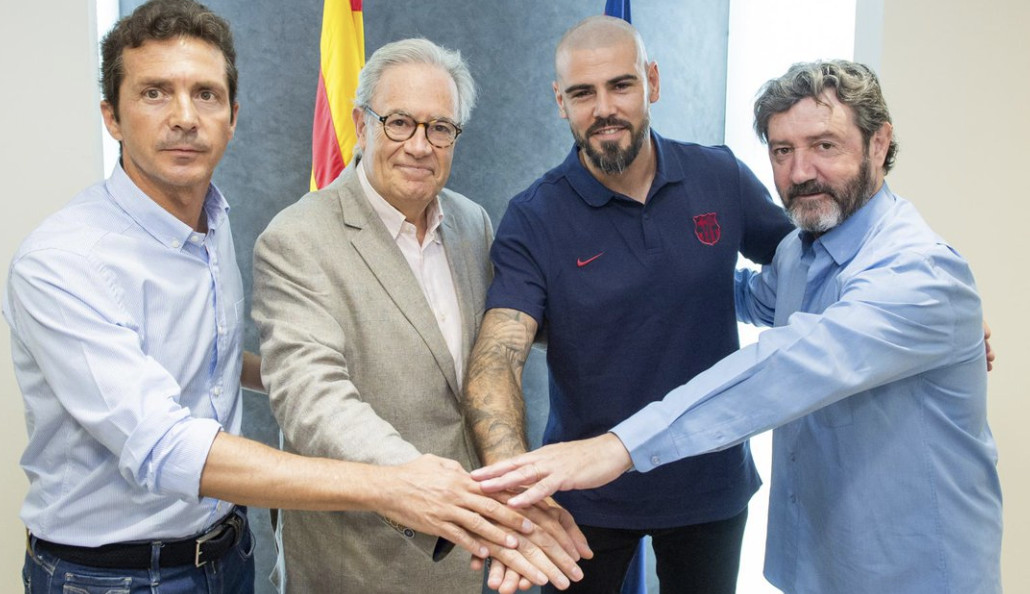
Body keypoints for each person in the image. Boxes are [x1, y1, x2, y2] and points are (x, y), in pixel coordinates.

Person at [3, 2, 569, 593]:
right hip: (117, 573)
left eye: (205, 94)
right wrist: (394, 477)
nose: (184, 118)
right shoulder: (64, 261)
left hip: (231, 551)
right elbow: (168, 445)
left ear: (232, 115)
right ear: (111, 116)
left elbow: (204, 358)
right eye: (154, 93)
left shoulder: (210, 219)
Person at [472, 59, 1004, 594]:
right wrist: (595, 290)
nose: (799, 173)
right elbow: (731, 293)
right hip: (819, 565)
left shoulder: (921, 274)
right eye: (781, 151)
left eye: (824, 145)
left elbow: (785, 369)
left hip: (912, 572)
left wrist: (614, 446)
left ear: (879, 142)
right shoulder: (801, 253)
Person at [463, 15, 794, 594]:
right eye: (582, 93)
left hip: (708, 482)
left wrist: (905, 304)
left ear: (653, 83)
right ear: (559, 101)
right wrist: (522, 493)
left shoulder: (718, 176)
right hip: (584, 497)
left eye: (621, 85)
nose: (604, 108)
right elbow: (496, 360)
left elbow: (810, 257)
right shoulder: (534, 217)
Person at [251, 37, 589, 594]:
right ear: (361, 123)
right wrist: (421, 486)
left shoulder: (471, 221)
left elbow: (501, 345)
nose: (419, 145)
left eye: (440, 128)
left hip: (471, 554)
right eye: (399, 122)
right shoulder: (297, 239)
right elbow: (312, 397)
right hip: (361, 560)